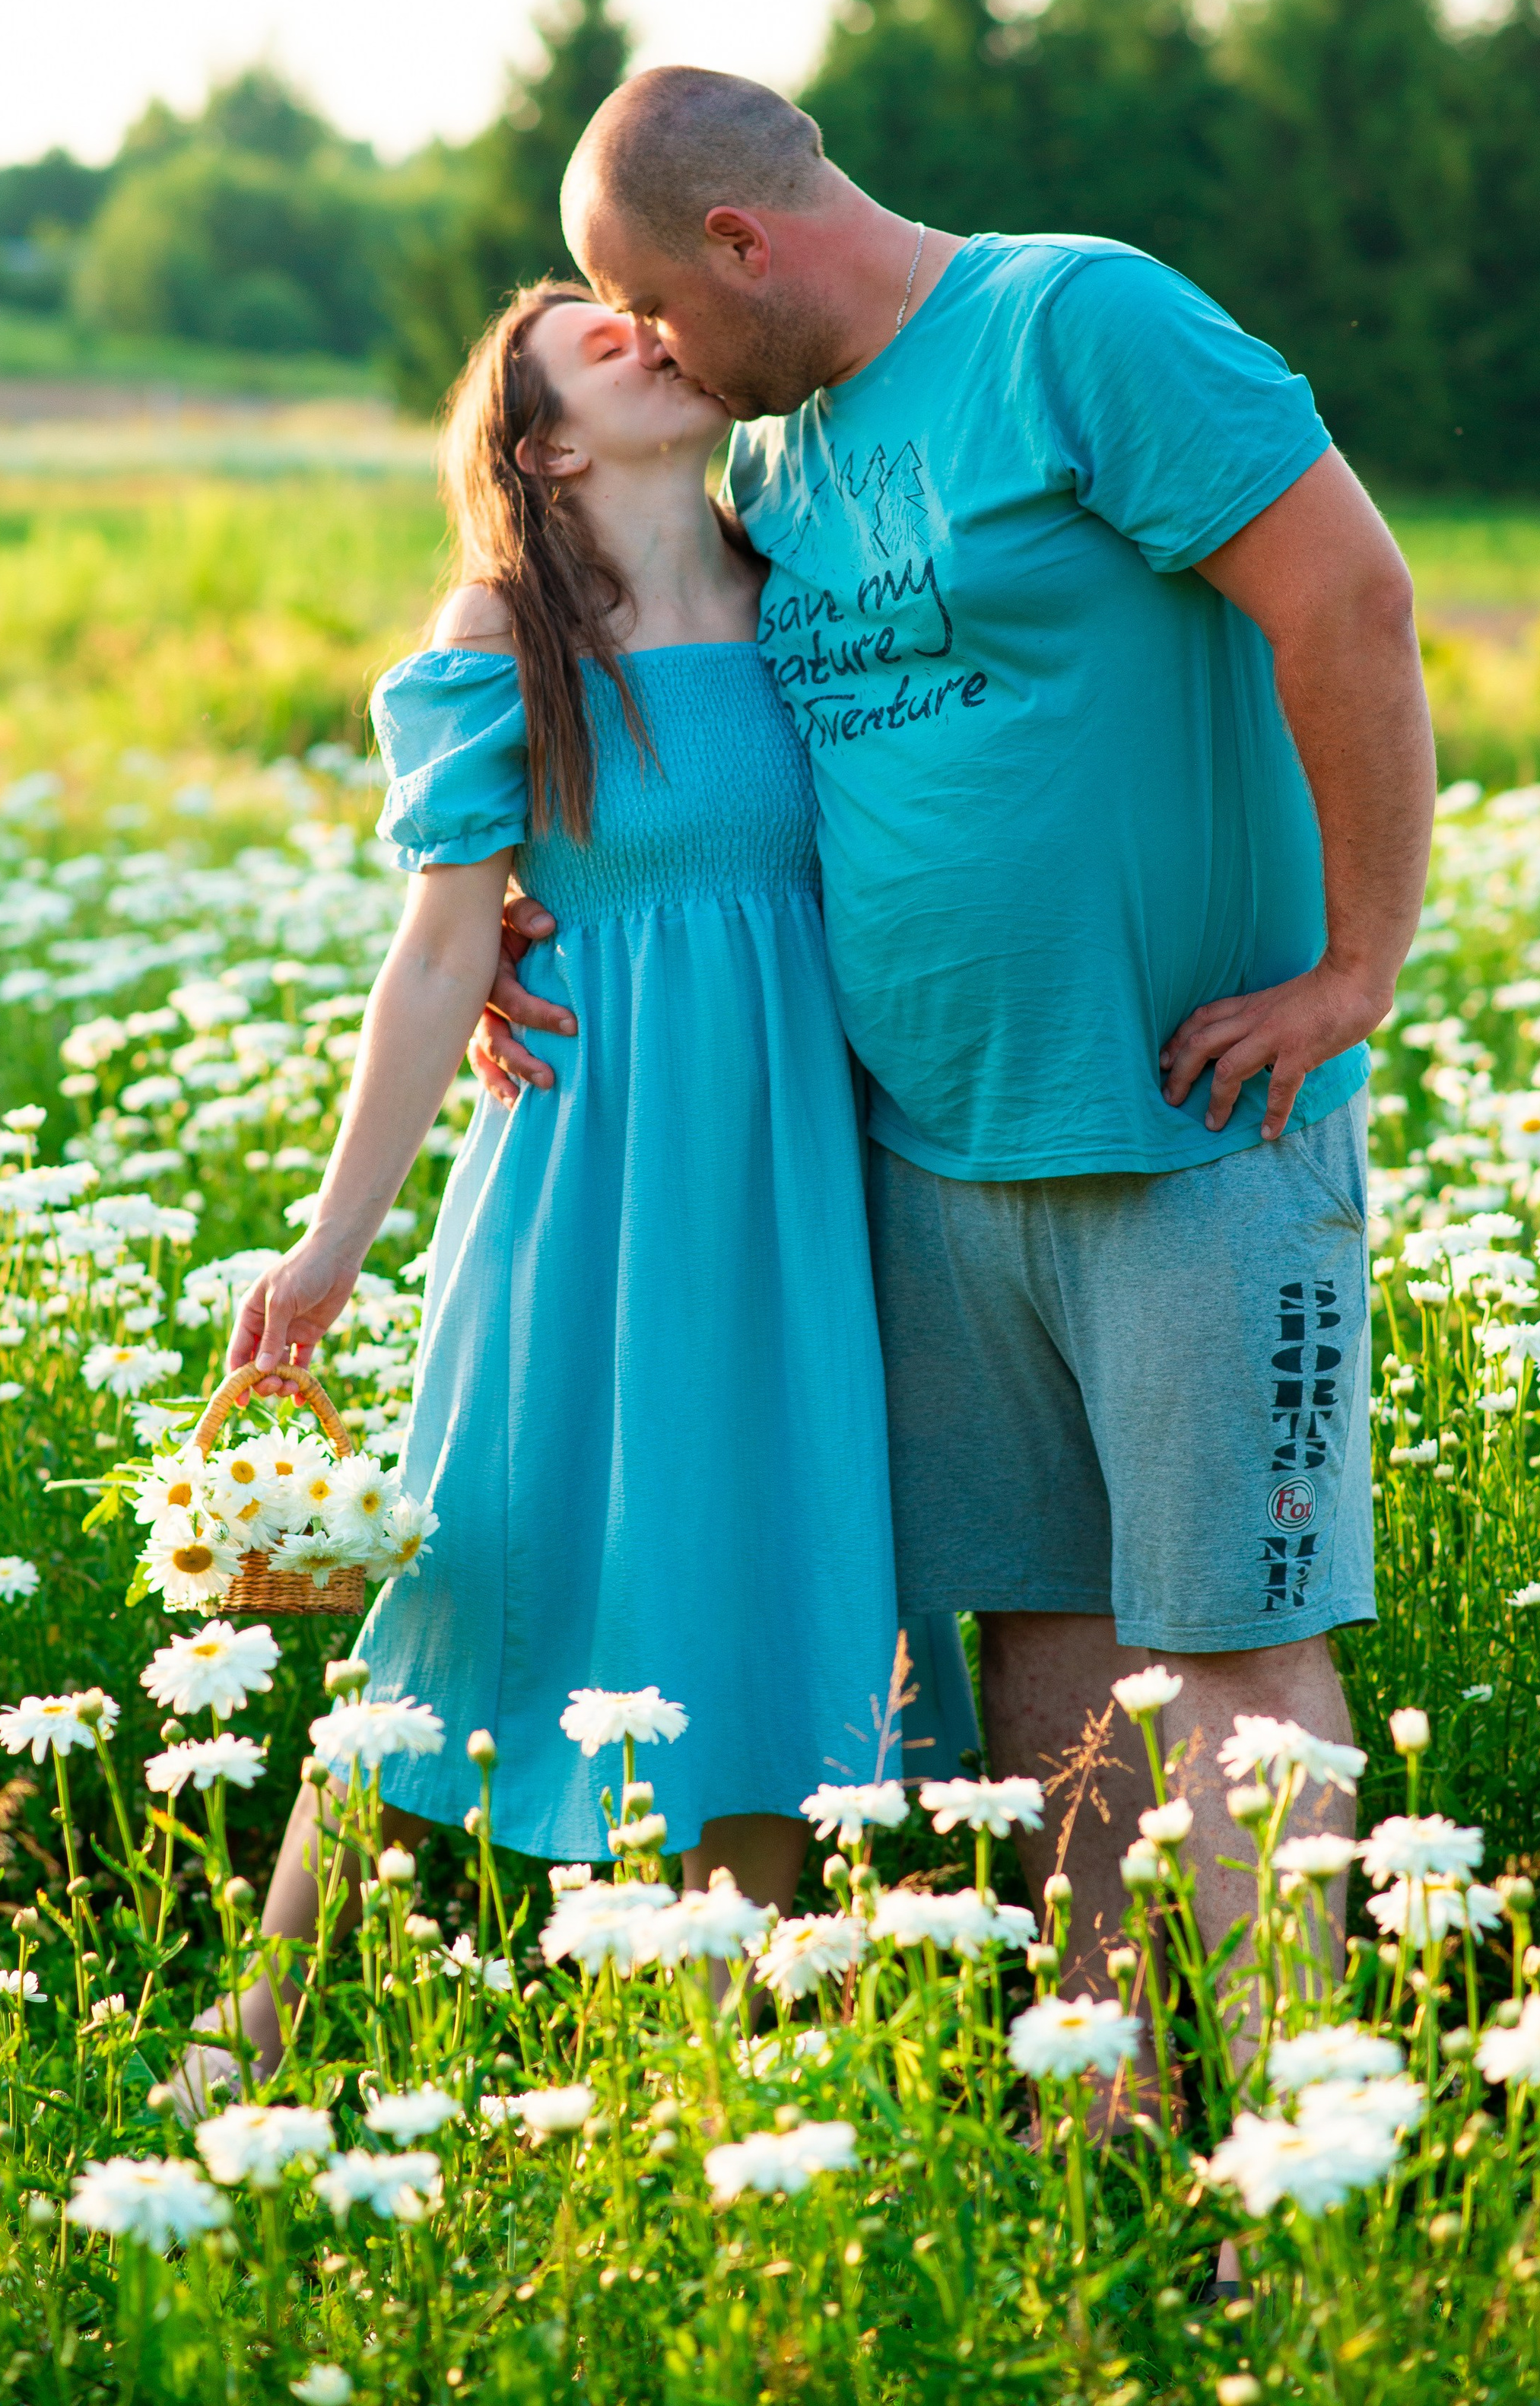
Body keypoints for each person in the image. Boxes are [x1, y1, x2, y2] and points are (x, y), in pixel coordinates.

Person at [472, 67, 1436, 2026]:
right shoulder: (784, 458)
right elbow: (674, 713)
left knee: (1238, 1655)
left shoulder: (1076, 324)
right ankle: (1102, 2123)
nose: (646, 350)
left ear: (740, 241)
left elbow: (1346, 594)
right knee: (1047, 1659)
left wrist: (1356, 963)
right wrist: (509, 891)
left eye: (652, 306)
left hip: (1192, 1132)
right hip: (923, 1159)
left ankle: (1311, 2171)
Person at [212, 278, 971, 2080]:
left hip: (802, 1178)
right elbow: (433, 955)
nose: (650, 334)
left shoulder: (808, 590)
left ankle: (713, 2056)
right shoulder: (507, 631)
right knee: (475, 1571)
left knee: (783, 1561)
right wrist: (331, 1242)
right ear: (542, 442)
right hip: (591, 1167)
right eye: (600, 340)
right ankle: (254, 2027)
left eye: (647, 313)